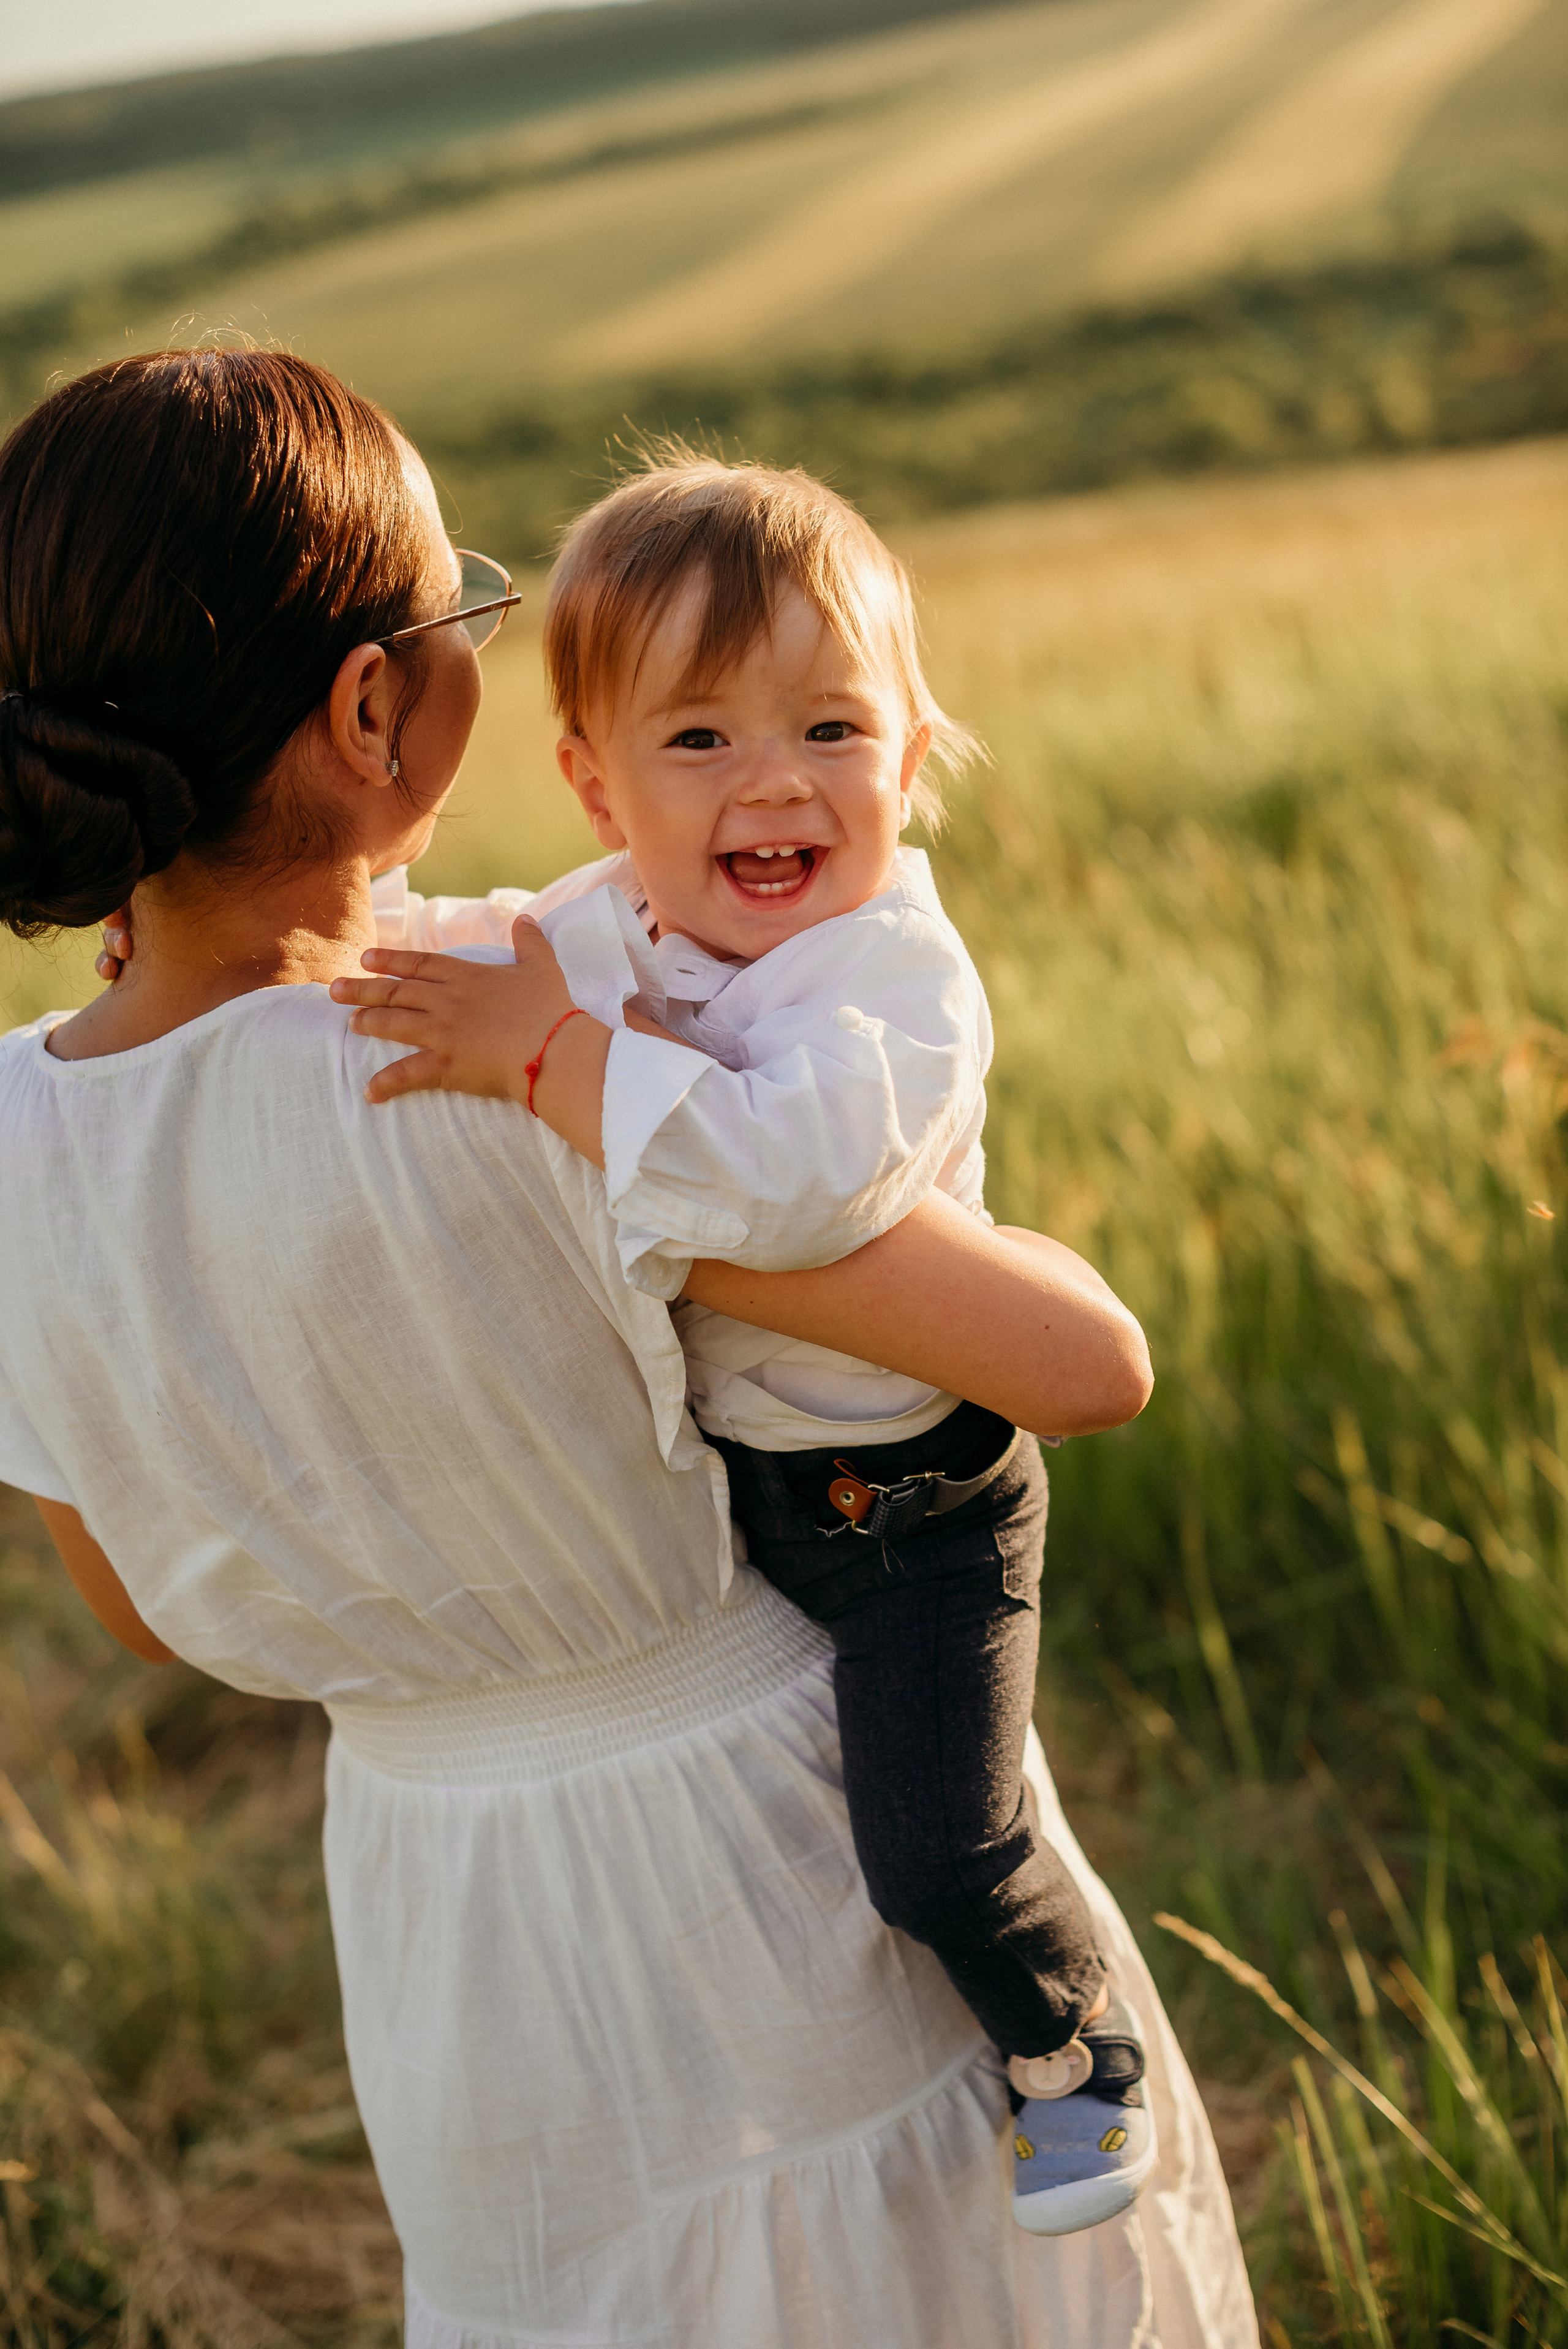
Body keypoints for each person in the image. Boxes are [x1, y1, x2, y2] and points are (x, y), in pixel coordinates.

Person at [0, 347, 1259, 2347]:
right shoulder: (540, 1050)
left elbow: (140, 1610)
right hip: (775, 1871)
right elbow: (1081, 1362)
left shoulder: (20, 1148)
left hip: (442, 1923)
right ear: (372, 707)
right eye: (468, 607)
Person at [328, 453, 1150, 2236]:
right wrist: (282, 952)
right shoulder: (610, 918)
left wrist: (549, 1062)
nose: (775, 781)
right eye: (698, 739)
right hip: (741, 1496)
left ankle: (1073, 2050)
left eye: (833, 729)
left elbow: (791, 1188)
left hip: (916, 1509)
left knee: (939, 1850)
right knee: (779, 1868)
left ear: (909, 760)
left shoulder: (889, 978)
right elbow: (462, 951)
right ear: (595, 783)